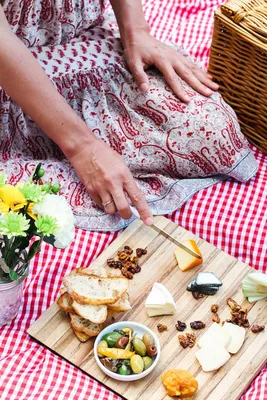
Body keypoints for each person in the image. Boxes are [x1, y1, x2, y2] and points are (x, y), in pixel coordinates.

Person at [0, 0, 258, 231]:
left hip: (85, 42)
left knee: (212, 135)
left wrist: (137, 32)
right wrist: (82, 148)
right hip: (14, 71)